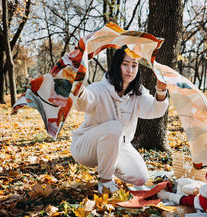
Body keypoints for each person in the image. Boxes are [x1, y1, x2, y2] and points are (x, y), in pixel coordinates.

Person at [70, 46, 169, 194]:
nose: (130, 69)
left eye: (134, 65)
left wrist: (161, 91)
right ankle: (105, 181)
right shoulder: (99, 89)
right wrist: (79, 86)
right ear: (117, 65)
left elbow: (155, 110)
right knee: (114, 127)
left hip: (119, 145)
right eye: (125, 64)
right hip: (86, 147)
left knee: (140, 178)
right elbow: (83, 103)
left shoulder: (138, 93)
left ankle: (108, 164)